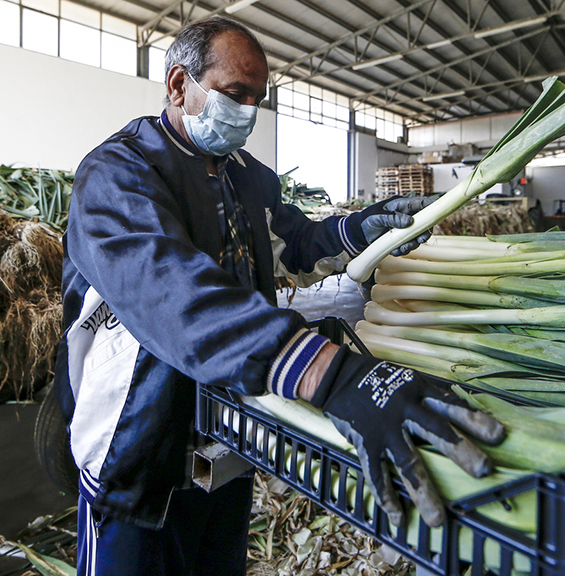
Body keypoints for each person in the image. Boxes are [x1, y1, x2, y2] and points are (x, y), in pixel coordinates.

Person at [53, 15, 504, 576]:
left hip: (232, 424)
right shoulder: (119, 174)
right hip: (139, 436)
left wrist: (366, 226)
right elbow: (168, 291)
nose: (246, 111)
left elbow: (293, 242)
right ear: (178, 85)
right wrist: (327, 374)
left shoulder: (247, 176)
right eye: (233, 94)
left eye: (256, 99)